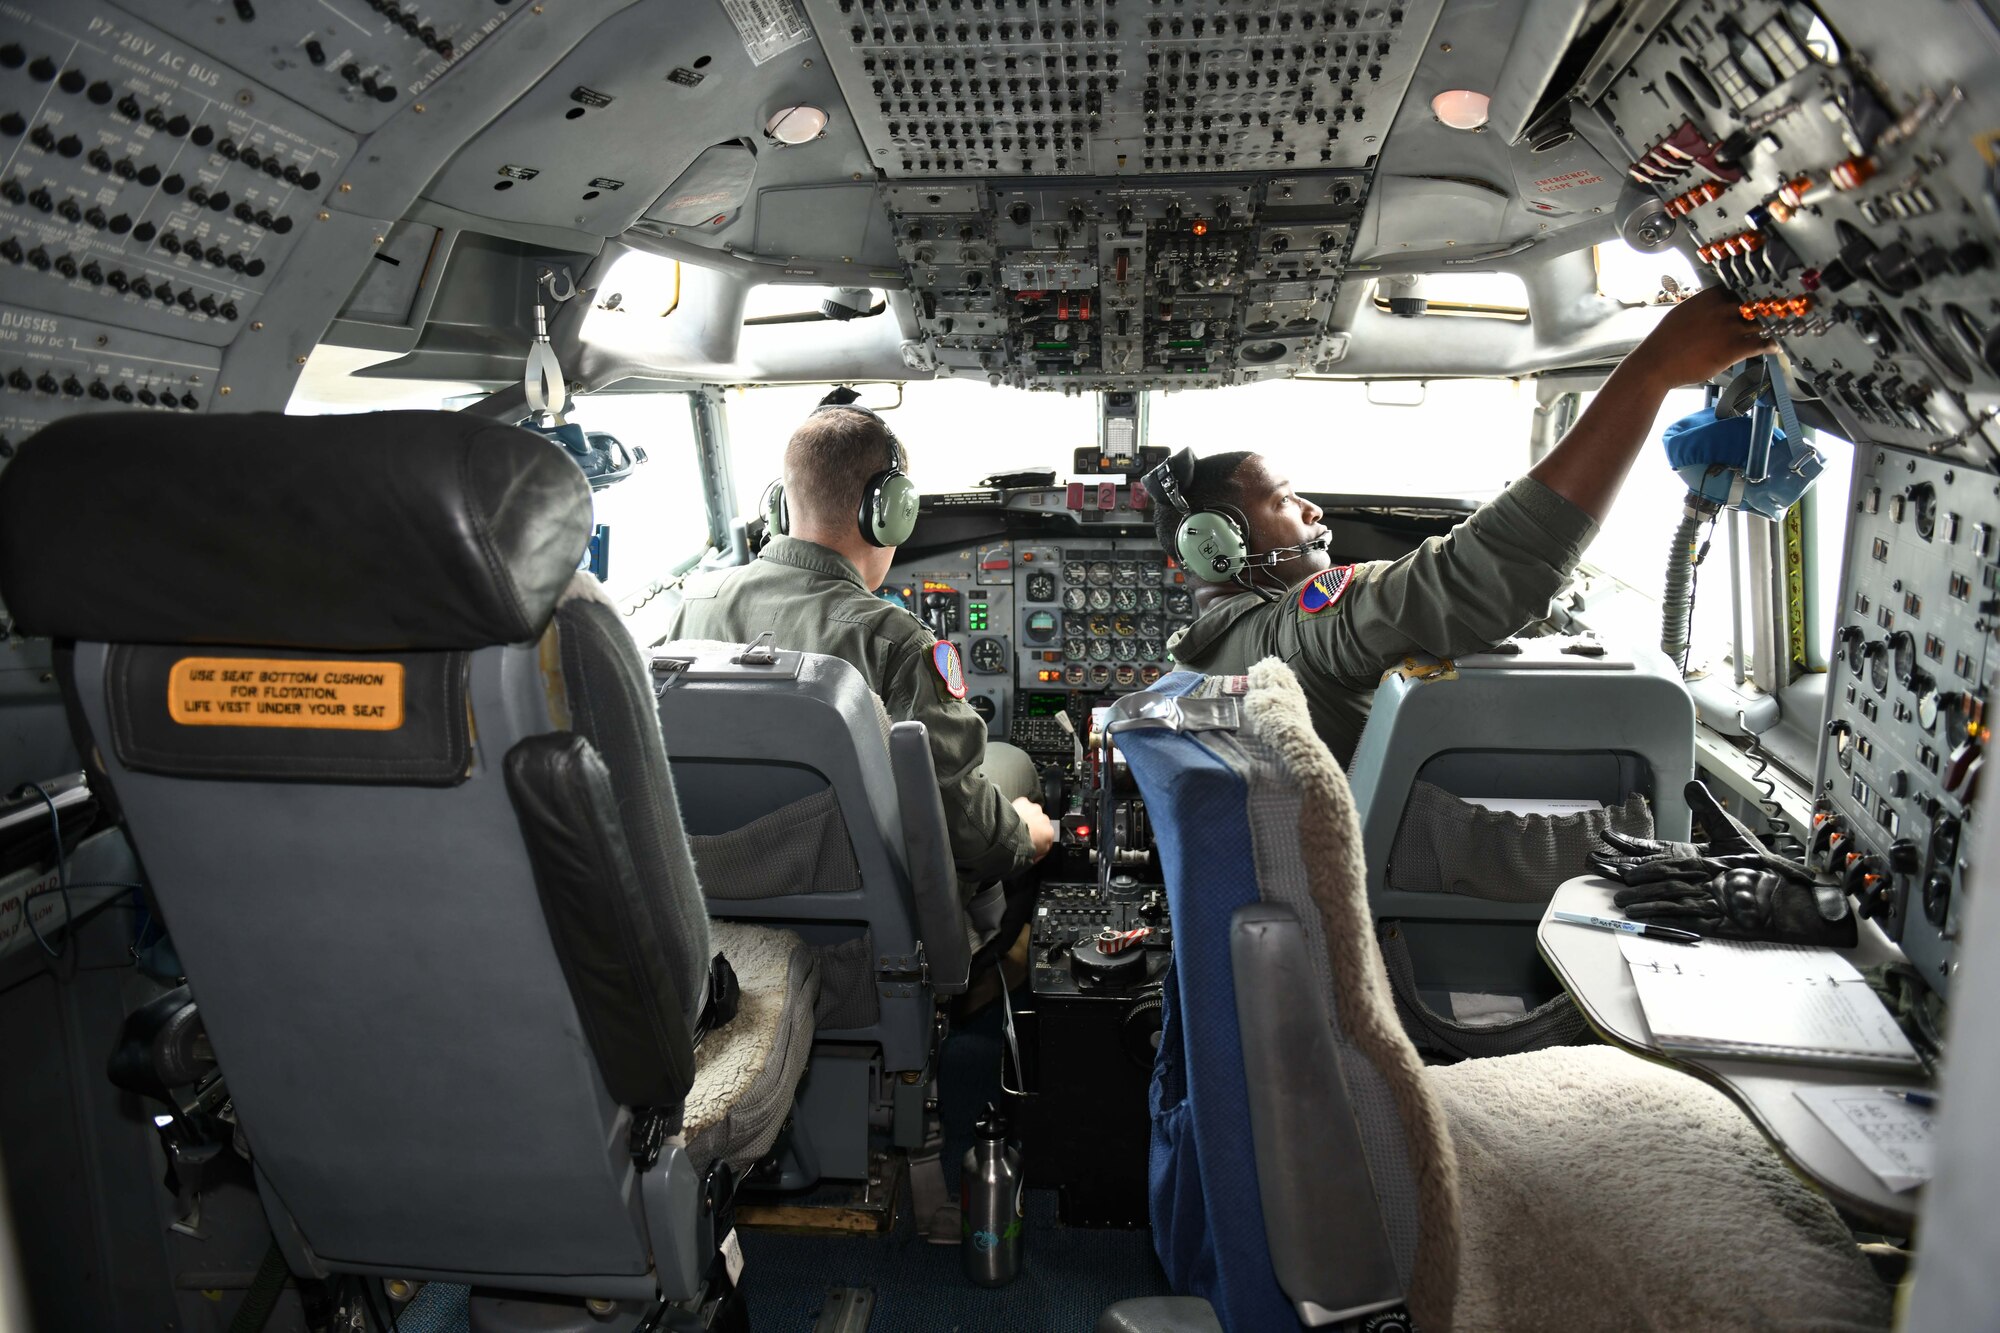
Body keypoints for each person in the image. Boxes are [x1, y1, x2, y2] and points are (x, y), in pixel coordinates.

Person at [1148, 287, 1772, 760]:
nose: (1314, 511)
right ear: (1217, 546)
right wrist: (1653, 369)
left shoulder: (1204, 660)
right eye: (1284, 501)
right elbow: (1477, 576)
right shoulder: (1292, 635)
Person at [670, 395, 1057, 937]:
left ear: (781, 505)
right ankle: (986, 959)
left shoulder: (695, 603)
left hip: (725, 884)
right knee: (1008, 760)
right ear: (892, 512)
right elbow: (961, 821)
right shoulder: (894, 641)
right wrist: (1025, 836)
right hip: (877, 917)